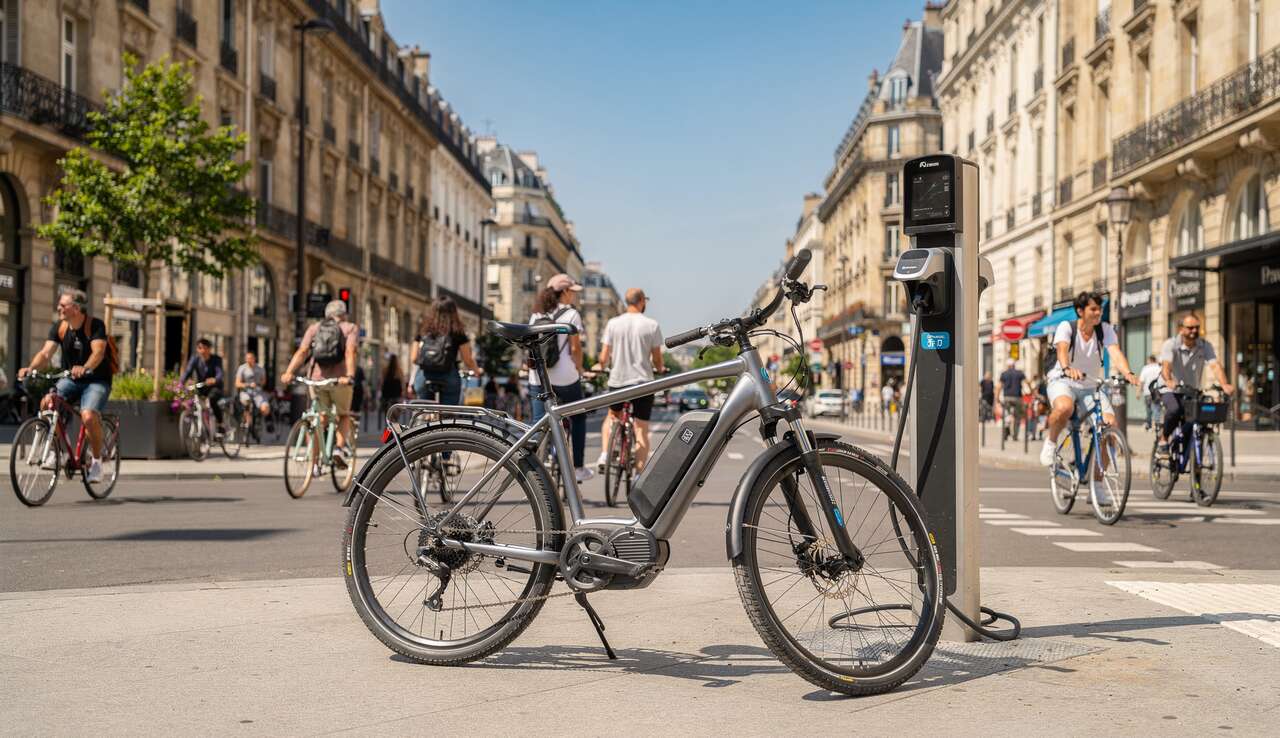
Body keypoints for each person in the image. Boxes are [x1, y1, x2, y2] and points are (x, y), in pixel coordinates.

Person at [1039, 292, 1138, 501]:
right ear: (1080, 311)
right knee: (1064, 408)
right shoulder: (1067, 327)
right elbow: (1062, 350)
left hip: (1090, 385)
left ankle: (1097, 486)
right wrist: (1067, 368)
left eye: (1099, 309)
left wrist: (1128, 373)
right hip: (1063, 380)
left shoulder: (1105, 330)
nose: (1098, 312)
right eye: (1093, 309)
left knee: (1110, 427)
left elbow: (1115, 352)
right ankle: (1050, 442)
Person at [18, 288, 114, 482]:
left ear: (76, 308)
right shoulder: (60, 328)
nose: (58, 308)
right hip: (71, 379)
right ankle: (58, 451)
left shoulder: (95, 325)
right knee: (48, 403)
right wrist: (30, 368)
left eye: (63, 305)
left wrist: (85, 367)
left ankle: (97, 463)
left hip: (97, 380)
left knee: (88, 416)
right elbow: (46, 353)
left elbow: (98, 352)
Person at [528, 273, 592, 483]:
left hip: (538, 377)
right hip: (565, 377)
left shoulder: (536, 314)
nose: (574, 296)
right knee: (578, 417)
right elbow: (575, 349)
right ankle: (579, 467)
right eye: (572, 291)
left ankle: (533, 473)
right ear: (564, 292)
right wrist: (581, 369)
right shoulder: (572, 314)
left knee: (538, 423)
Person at [281, 299, 359, 469]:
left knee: (319, 418)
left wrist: (289, 372)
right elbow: (350, 351)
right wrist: (350, 375)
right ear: (344, 314)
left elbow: (302, 351)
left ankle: (314, 464)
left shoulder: (314, 328)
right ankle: (339, 449)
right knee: (343, 415)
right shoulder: (350, 328)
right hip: (339, 380)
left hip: (316, 379)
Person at [594, 287, 665, 473]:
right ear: (641, 301)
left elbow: (604, 356)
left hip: (618, 381)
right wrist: (660, 369)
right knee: (641, 429)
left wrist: (600, 366)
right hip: (643, 383)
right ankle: (638, 476)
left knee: (612, 417)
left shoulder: (613, 323)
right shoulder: (651, 325)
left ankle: (604, 454)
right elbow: (657, 358)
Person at [1156, 312, 1234, 454]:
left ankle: (1191, 459)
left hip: (1192, 391)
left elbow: (1215, 365)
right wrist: (1169, 380)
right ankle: (1164, 437)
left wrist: (1224, 384)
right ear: (1181, 329)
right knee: (1174, 409)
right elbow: (1166, 366)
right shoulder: (1171, 344)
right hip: (1170, 389)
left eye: (1197, 327)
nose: (1194, 331)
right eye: (1190, 328)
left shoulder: (1204, 345)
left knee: (1195, 419)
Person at [409, 297, 482, 404]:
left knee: (423, 410)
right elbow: (468, 360)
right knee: (448, 412)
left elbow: (414, 358)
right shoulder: (457, 331)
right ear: (453, 312)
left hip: (424, 376)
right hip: (449, 377)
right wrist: (477, 371)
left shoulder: (424, 329)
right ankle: (446, 414)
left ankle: (424, 415)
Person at [179, 338, 227, 433]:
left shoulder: (216, 359)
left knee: (212, 400)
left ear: (209, 349)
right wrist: (181, 384)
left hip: (215, 387)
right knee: (192, 399)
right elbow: (188, 372)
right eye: (200, 348)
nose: (202, 350)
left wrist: (215, 379)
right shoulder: (195, 359)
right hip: (201, 387)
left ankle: (220, 424)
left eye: (205, 348)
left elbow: (220, 373)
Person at [234, 351, 273, 435]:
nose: (249, 360)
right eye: (247, 358)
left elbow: (264, 381)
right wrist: (247, 385)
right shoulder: (242, 368)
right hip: (246, 392)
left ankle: (267, 422)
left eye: (251, 358)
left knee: (265, 408)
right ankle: (247, 422)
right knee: (246, 403)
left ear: (254, 359)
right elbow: (237, 383)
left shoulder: (260, 368)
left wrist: (258, 384)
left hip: (257, 392)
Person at [996, 359, 1027, 440]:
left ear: (1007, 366)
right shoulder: (1019, 373)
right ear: (1014, 365)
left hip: (1007, 397)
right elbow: (1027, 382)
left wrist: (997, 398)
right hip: (1017, 397)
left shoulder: (1004, 374)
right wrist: (1031, 391)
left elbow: (999, 387)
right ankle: (1015, 436)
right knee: (1017, 417)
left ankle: (1006, 433)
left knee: (1006, 415)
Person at [1137, 354, 1163, 430]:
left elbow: (1141, 381)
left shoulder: (1145, 368)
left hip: (1147, 392)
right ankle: (1157, 425)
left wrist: (1138, 392)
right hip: (1157, 392)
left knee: (1148, 410)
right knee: (1157, 408)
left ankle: (1149, 425)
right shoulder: (1159, 368)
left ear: (1150, 360)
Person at [379, 353, 404, 418]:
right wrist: (403, 392)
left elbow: (382, 382)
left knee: (387, 411)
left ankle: (388, 420)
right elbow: (402, 382)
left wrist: (381, 391)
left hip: (386, 393)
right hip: (396, 393)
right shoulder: (399, 370)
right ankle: (394, 420)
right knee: (396, 408)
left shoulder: (385, 370)